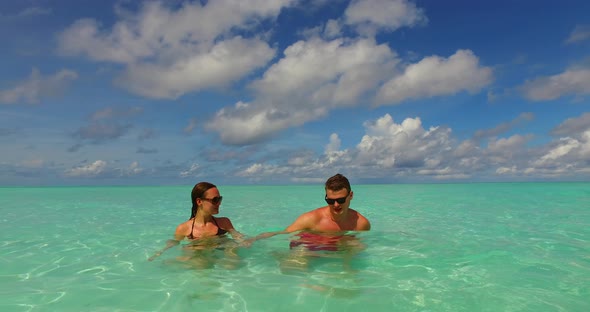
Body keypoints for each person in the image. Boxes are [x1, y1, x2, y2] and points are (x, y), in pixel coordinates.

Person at [148, 181, 243, 262]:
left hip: (222, 253)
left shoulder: (224, 222)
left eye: (220, 199)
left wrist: (246, 240)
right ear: (199, 202)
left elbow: (237, 236)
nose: (219, 203)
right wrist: (159, 252)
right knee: (199, 262)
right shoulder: (184, 228)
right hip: (200, 259)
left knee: (232, 261)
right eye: (215, 200)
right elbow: (174, 243)